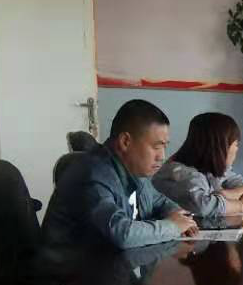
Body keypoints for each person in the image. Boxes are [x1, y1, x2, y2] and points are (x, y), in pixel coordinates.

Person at [39, 98, 195, 266]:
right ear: (125, 142)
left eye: (165, 146)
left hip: (103, 266)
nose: (162, 156)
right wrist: (173, 227)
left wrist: (179, 216)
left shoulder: (133, 169)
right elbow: (122, 233)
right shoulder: (93, 173)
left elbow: (159, 201)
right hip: (68, 274)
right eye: (157, 147)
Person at [152, 112, 243, 218]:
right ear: (221, 147)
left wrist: (225, 194)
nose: (237, 149)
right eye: (236, 144)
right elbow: (204, 206)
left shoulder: (208, 168)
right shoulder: (180, 173)